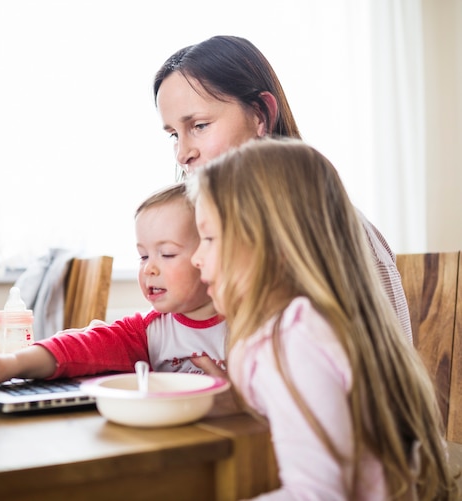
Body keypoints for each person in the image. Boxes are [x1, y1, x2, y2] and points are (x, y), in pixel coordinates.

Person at [187, 137, 457, 500]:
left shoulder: (292, 341)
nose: (196, 258)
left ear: (273, 244)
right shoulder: (323, 326)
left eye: (208, 238)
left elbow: (317, 494)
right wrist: (242, 400)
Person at [153, 35, 413, 345]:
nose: (183, 154)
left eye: (199, 125)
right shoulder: (224, 240)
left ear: (260, 114)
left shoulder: (326, 230)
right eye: (173, 135)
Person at [0, 183, 226, 385]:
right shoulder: (146, 331)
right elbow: (79, 348)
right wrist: (14, 363)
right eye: (143, 256)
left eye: (167, 254)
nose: (149, 269)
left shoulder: (253, 324)